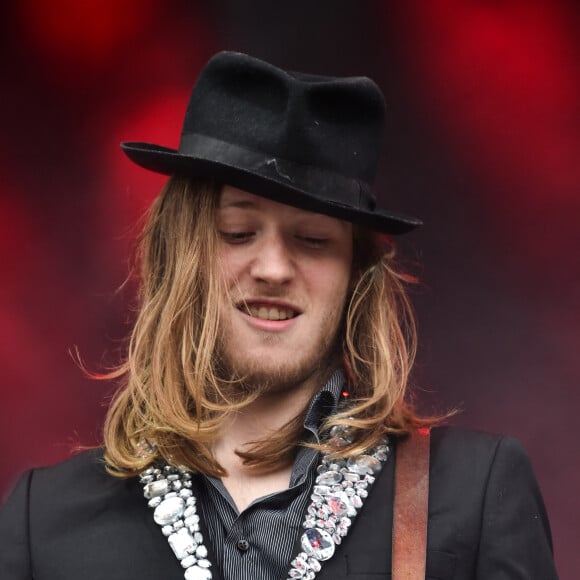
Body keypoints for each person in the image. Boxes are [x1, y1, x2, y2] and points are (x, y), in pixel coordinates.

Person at [0, 51, 557, 580]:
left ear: (356, 275)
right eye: (238, 233)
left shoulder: (474, 493)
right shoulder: (41, 520)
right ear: (178, 254)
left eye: (313, 240)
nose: (273, 268)